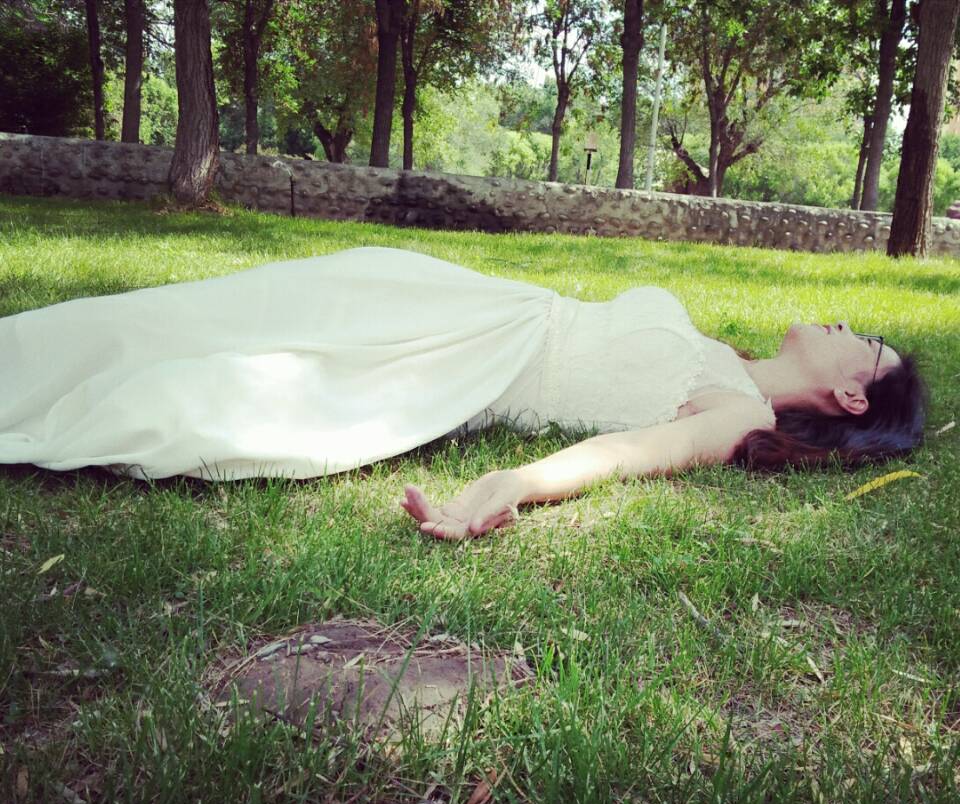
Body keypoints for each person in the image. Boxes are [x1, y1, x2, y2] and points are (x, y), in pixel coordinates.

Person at [0, 247, 925, 540]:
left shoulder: (741, 413)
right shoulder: (720, 355)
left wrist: (512, 482)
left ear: (852, 396)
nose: (845, 324)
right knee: (230, 309)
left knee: (230, 379)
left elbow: (629, 452)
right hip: (467, 300)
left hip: (476, 360)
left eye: (866, 342)